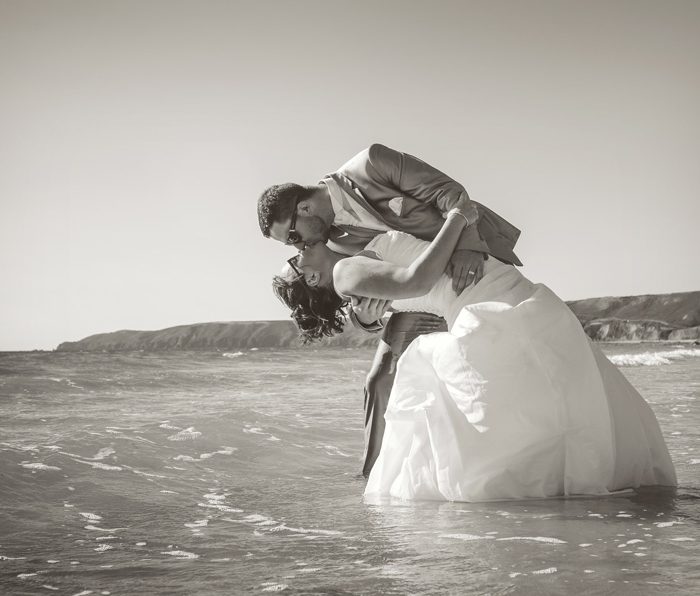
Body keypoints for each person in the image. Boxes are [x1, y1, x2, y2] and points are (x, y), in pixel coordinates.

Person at [271, 202, 677, 502]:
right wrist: (458, 221)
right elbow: (417, 280)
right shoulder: (346, 272)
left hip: (494, 305)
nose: (299, 247)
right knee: (558, 411)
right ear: (310, 276)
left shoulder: (353, 245)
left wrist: (370, 316)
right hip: (510, 303)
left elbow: (403, 288)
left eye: (294, 245)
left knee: (542, 423)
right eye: (296, 256)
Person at [257, 143, 522, 476]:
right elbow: (354, 288)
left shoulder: (372, 164)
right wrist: (365, 320)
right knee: (380, 378)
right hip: (414, 288)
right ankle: (375, 473)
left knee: (482, 353)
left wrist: (468, 244)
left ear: (306, 207)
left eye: (293, 236)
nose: (300, 246)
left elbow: (451, 194)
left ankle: (485, 448)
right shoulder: (328, 241)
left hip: (463, 250)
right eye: (291, 244)